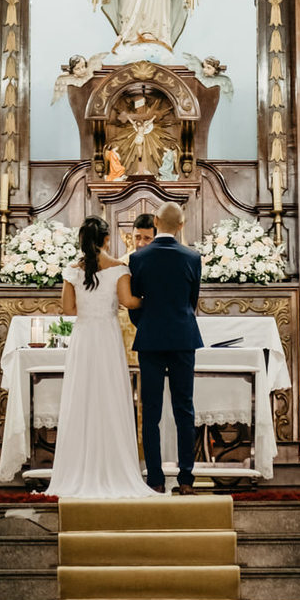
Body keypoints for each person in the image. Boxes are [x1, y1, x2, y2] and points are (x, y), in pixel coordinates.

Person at [45, 216, 153, 499]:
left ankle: (78, 467)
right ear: (107, 239)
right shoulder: (119, 268)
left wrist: (89, 307)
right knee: (109, 396)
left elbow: (68, 310)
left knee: (81, 397)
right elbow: (129, 302)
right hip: (107, 337)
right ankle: (114, 466)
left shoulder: (72, 271)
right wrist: (152, 298)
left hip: (84, 338)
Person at [128, 202, 203, 494]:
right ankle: (186, 479)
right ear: (181, 226)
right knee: (184, 408)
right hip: (184, 337)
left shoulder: (138, 257)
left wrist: (147, 323)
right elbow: (192, 300)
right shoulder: (192, 257)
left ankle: (155, 479)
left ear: (156, 221)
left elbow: (135, 302)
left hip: (151, 339)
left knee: (151, 411)